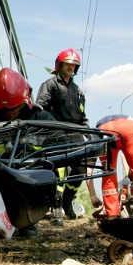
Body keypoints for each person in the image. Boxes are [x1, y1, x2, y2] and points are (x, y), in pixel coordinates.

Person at [0, 67, 56, 238]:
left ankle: (27, 224)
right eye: (2, 111)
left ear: (25, 101)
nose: (8, 115)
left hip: (28, 180)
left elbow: (65, 144)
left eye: (13, 109)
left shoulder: (41, 119)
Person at [36, 48, 98, 223]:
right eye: (68, 64)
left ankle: (67, 200)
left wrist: (89, 133)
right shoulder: (50, 85)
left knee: (79, 170)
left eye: (74, 65)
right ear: (60, 65)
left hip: (76, 135)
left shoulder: (78, 90)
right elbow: (40, 107)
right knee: (60, 170)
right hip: (56, 134)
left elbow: (82, 115)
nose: (71, 67)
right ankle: (55, 207)